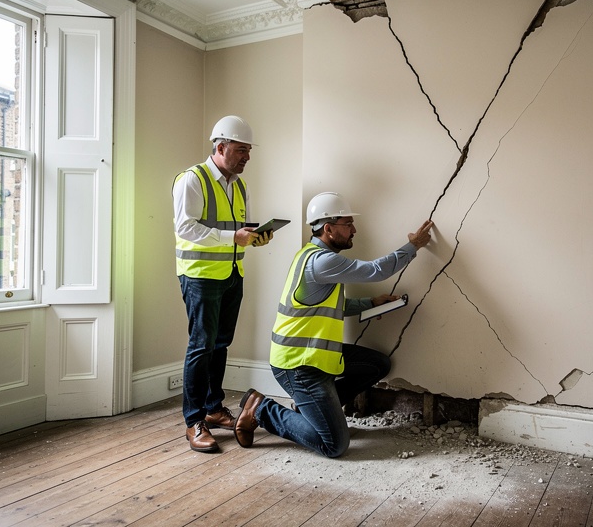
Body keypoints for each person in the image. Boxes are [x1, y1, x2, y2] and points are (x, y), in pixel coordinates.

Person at [232, 191, 434, 457]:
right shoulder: (322, 261)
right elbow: (376, 270)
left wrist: (370, 303)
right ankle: (261, 408)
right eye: (348, 224)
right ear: (328, 228)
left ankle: (310, 409)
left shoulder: (310, 255)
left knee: (378, 365)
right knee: (334, 445)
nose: (354, 230)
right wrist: (414, 246)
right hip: (298, 365)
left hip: (316, 357)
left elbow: (328, 306)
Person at [173, 115, 273, 453]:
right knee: (201, 346)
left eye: (248, 151)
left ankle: (214, 409)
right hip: (200, 276)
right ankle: (193, 420)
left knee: (220, 344)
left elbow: (236, 232)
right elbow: (186, 228)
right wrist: (234, 236)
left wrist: (254, 238)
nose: (247, 157)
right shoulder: (193, 179)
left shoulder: (238, 184)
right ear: (220, 147)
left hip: (231, 274)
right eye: (242, 150)